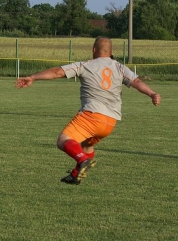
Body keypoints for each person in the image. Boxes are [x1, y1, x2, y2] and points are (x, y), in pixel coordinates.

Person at [15, 36, 161, 185]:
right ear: (111, 52)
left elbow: (58, 72)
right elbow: (136, 82)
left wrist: (33, 77)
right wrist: (152, 93)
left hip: (92, 115)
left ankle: (82, 159)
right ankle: (75, 174)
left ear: (94, 50)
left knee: (62, 141)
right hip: (109, 123)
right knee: (86, 145)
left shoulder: (86, 65)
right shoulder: (120, 67)